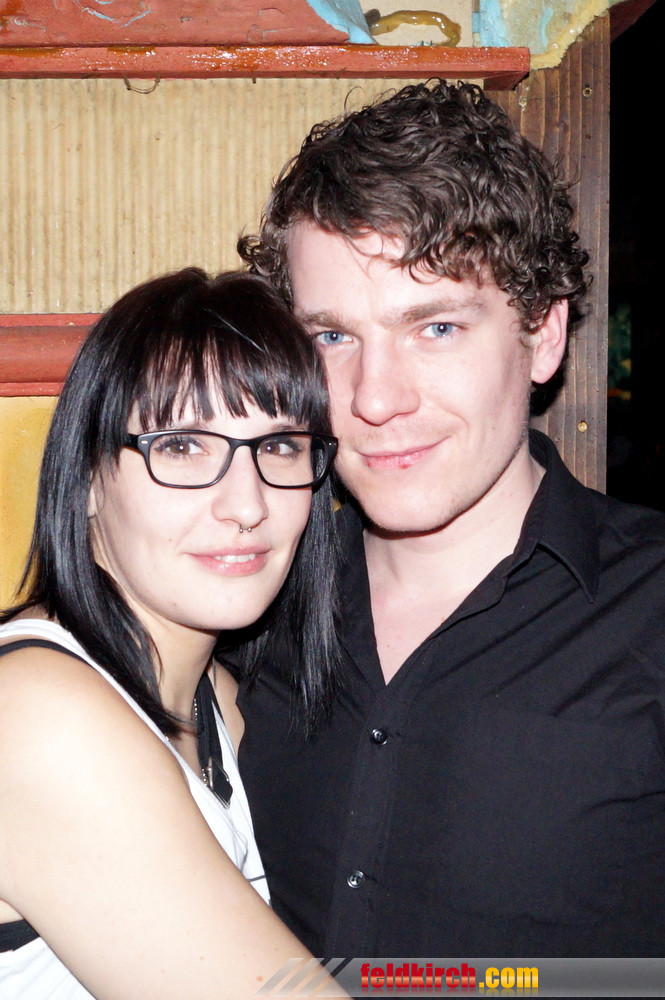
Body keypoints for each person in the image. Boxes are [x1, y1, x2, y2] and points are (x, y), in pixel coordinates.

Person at [236, 81, 665, 958]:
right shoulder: (243, 597)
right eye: (331, 338)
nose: (375, 399)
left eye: (434, 328)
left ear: (543, 335)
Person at [0, 268, 348, 999]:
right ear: (87, 476)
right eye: (184, 446)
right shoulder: (37, 714)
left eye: (279, 446)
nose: (246, 505)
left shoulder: (225, 703)